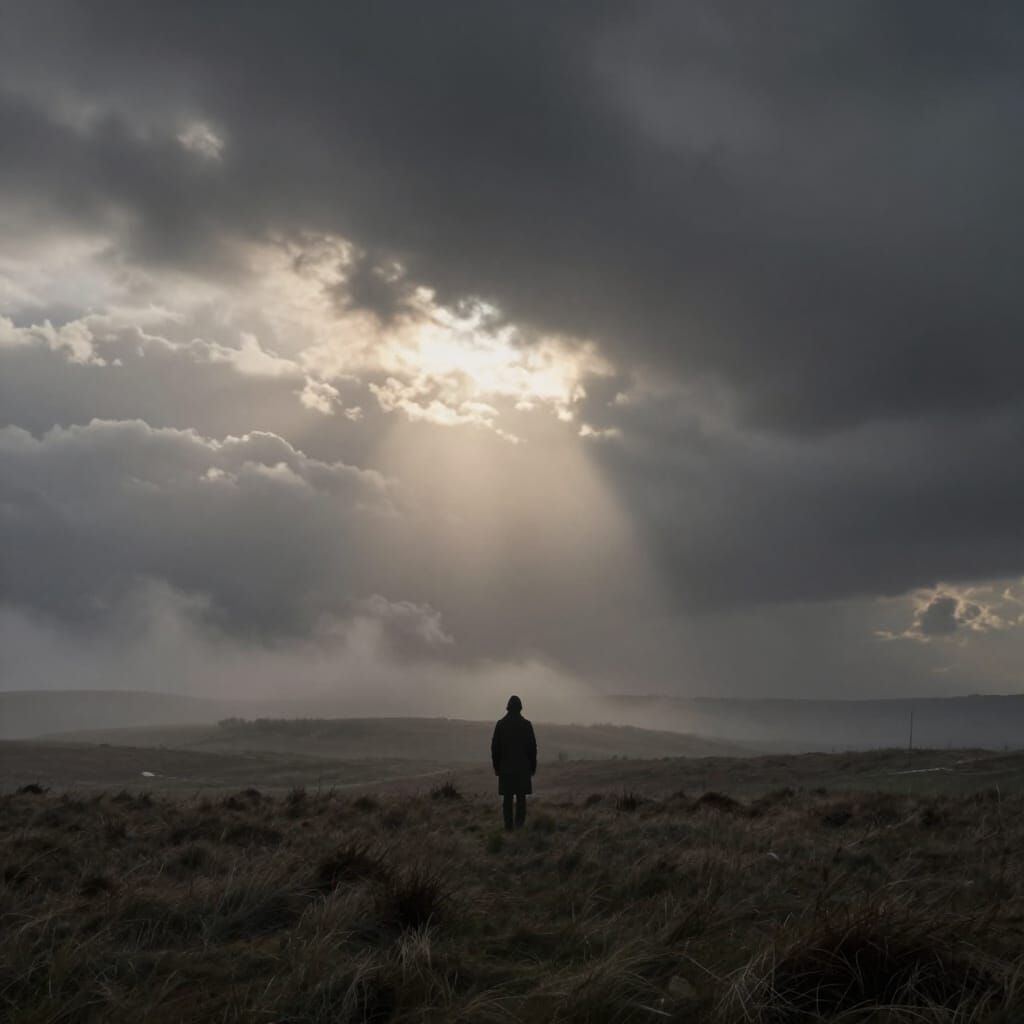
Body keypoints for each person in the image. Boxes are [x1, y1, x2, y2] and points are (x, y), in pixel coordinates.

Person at [491, 695, 537, 831]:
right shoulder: (527, 725)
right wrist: (532, 767)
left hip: (506, 769)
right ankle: (519, 826)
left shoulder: (500, 724)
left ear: (508, 707)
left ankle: (508, 827)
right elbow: (532, 749)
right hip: (523, 768)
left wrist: (496, 767)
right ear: (520, 708)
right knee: (521, 799)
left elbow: (495, 748)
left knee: (507, 800)